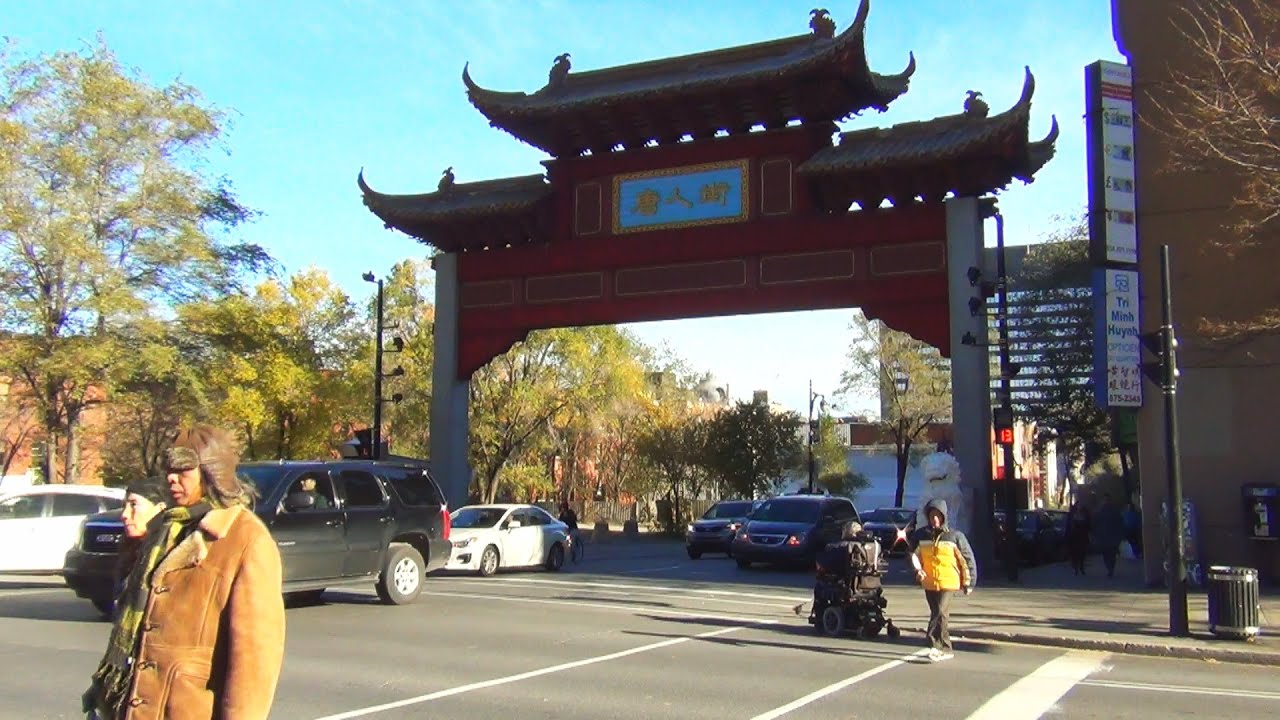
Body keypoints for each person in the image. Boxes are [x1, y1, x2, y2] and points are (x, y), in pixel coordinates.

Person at [83, 424, 285, 720]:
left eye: (183, 471)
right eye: (168, 470)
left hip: (186, 709)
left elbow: (256, 658)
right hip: (124, 706)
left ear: (210, 472)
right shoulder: (162, 528)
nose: (172, 479)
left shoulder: (245, 539)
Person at [910, 499, 976, 663]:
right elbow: (913, 556)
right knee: (938, 614)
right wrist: (918, 571)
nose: (935, 520)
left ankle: (934, 645)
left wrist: (969, 582)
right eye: (932, 516)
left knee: (940, 612)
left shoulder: (954, 536)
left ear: (944, 517)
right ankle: (945, 647)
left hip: (949, 581)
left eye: (938, 516)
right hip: (930, 582)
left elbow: (966, 559)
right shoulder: (921, 536)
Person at [112, 479, 169, 606]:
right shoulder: (130, 550)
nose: (124, 515)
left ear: (160, 508)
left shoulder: (169, 551)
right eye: (124, 506)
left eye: (134, 505)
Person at [1092, 494, 1126, 578]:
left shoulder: (1102, 510)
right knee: (1110, 554)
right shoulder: (1112, 510)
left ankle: (1110, 568)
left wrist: (1096, 534)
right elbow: (1120, 523)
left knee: (1107, 554)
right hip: (1110, 536)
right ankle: (1110, 568)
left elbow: (1095, 523)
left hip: (1106, 536)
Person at [1066, 501, 1093, 576]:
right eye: (1078, 505)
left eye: (1081, 505)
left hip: (1083, 536)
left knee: (1082, 553)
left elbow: (1089, 525)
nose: (1079, 507)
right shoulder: (1072, 514)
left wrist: (1089, 533)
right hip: (1074, 537)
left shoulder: (1085, 514)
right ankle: (1076, 568)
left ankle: (1081, 567)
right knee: (1075, 553)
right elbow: (1069, 525)